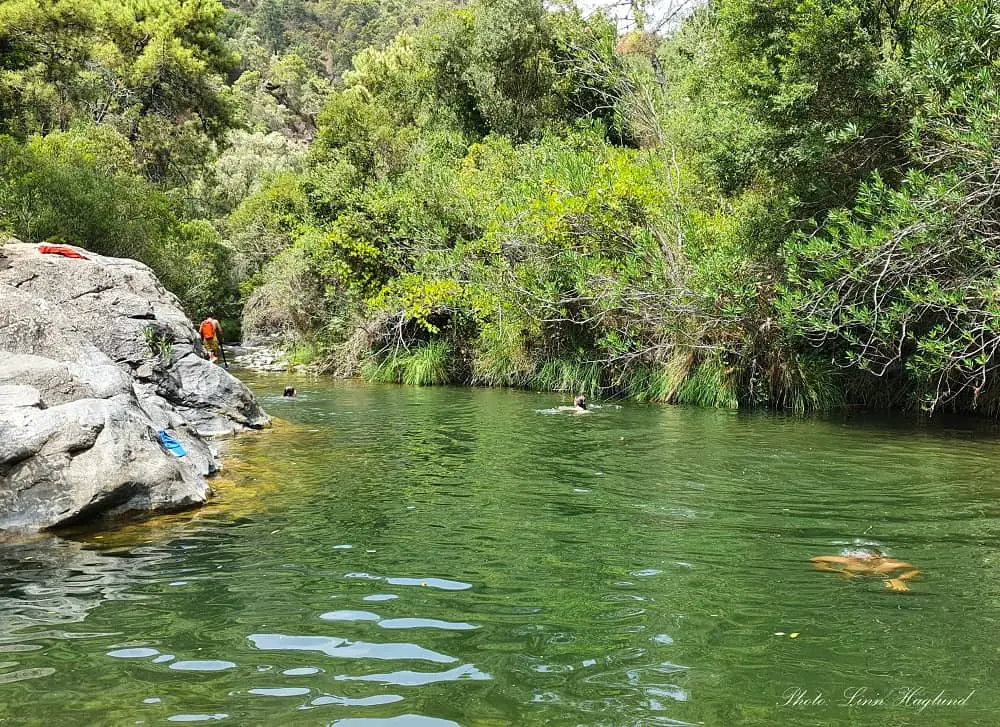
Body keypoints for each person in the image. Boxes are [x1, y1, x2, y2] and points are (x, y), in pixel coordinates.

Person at [811, 550, 921, 592]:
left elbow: (915, 570)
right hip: (857, 580)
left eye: (866, 557)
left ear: (877, 558)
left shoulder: (891, 565)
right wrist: (841, 572)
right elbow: (816, 559)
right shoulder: (849, 561)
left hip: (884, 578)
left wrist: (900, 579)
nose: (862, 559)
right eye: (858, 557)